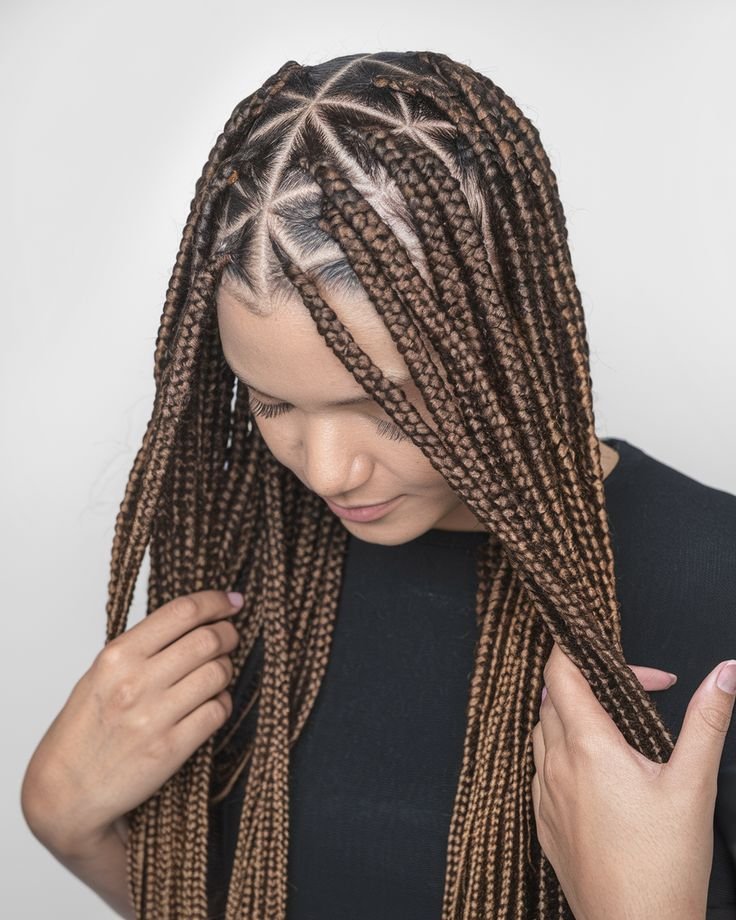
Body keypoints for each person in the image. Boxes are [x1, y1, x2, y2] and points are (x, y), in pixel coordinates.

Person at [20, 50, 736, 920]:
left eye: (385, 404)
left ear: (508, 331)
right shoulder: (242, 563)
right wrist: (67, 824)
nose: (327, 470)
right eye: (273, 402)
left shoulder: (715, 580)